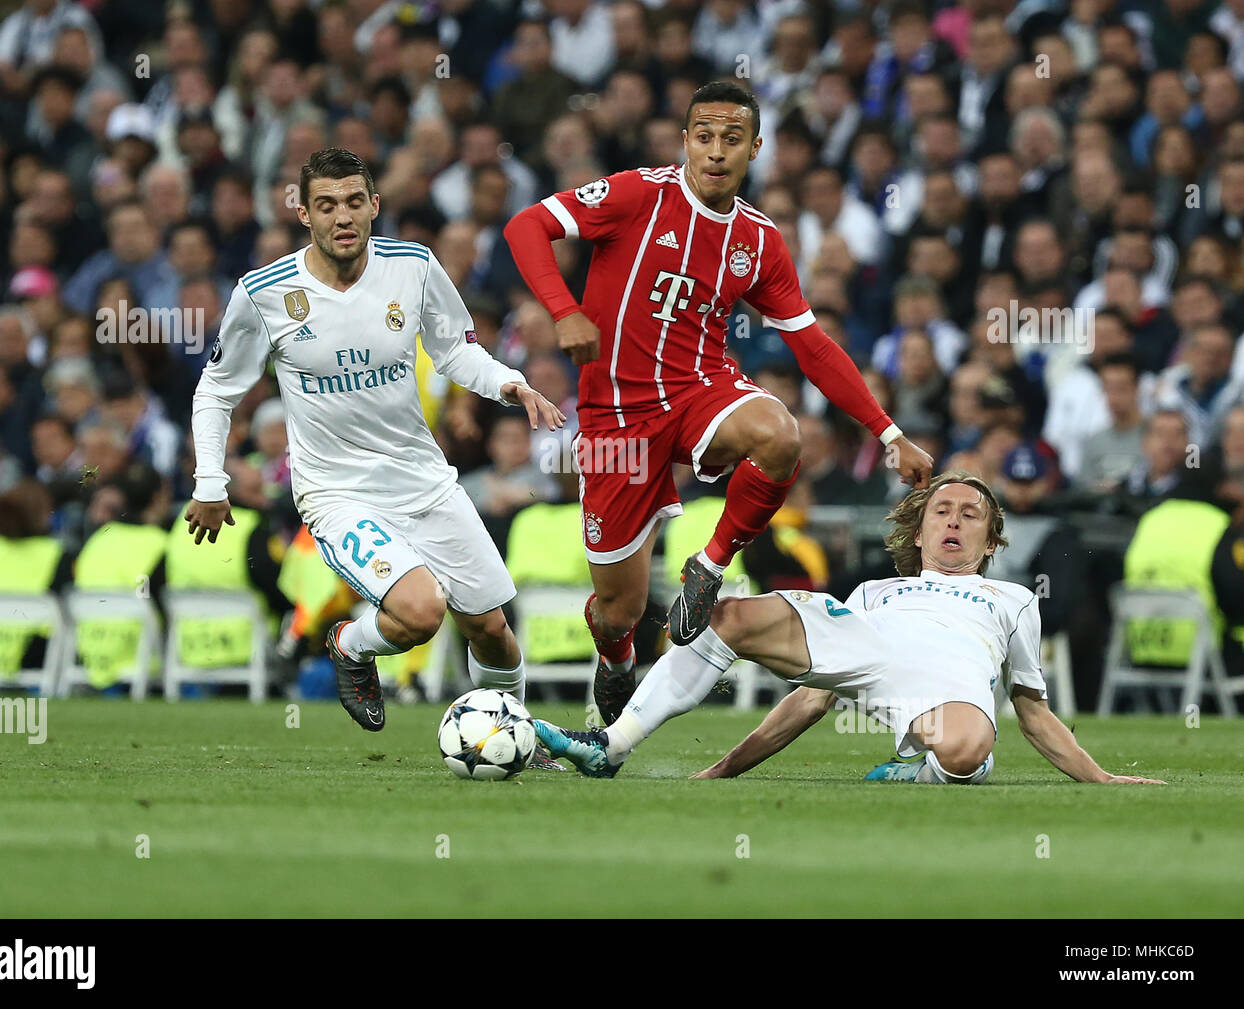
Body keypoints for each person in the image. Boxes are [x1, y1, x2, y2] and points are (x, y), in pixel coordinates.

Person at [504, 81, 934, 725]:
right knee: (617, 607)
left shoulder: (759, 241)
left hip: (701, 390)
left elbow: (812, 346)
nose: (715, 150)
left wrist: (889, 432)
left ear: (755, 148)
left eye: (731, 138)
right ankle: (618, 659)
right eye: (702, 136)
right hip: (615, 420)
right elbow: (526, 225)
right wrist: (563, 312)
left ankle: (708, 565)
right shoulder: (637, 194)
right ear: (684, 141)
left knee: (780, 435)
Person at [187, 148, 565, 737]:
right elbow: (216, 390)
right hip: (338, 492)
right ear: (305, 216)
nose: (343, 217)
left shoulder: (413, 266)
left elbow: (454, 349)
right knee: (420, 611)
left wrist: (507, 384)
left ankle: (516, 735)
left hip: (422, 477)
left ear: (375, 207)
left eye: (354, 202)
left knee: (490, 626)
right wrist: (211, 481)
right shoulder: (263, 294)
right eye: (327, 205)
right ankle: (348, 644)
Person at [534, 472, 1165, 786]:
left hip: (947, 684)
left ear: (991, 539)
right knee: (727, 615)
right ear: (918, 532)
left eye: (971, 514)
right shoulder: (873, 591)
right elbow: (811, 698)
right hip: (866, 638)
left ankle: (916, 761)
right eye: (941, 508)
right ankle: (610, 744)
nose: (953, 519)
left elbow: (1033, 712)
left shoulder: (1011, 599)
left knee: (970, 747)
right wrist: (723, 769)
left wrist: (1101, 777)